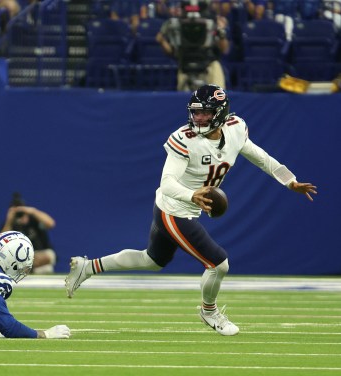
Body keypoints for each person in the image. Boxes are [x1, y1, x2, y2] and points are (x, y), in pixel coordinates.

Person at [65, 84, 317, 336]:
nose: (198, 118)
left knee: (151, 260)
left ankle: (87, 267)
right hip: (174, 208)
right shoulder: (184, 138)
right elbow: (167, 184)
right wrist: (191, 195)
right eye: (195, 112)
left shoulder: (236, 128)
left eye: (205, 113)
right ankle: (209, 312)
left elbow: (259, 156)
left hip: (187, 208)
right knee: (219, 264)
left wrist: (289, 180)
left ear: (220, 112)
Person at [156, 0, 230, 91]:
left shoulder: (211, 22)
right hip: (185, 66)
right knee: (186, 101)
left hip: (209, 65)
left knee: (216, 99)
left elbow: (224, 49)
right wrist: (162, 41)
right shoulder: (179, 24)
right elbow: (171, 51)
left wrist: (221, 33)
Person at [1, 192, 56, 274]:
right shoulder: (11, 225)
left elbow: (51, 224)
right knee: (47, 269)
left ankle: (25, 271)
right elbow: (2, 241)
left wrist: (33, 211)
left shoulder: (34, 220)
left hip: (41, 253)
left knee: (46, 257)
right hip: (21, 257)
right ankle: (31, 270)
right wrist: (9, 220)